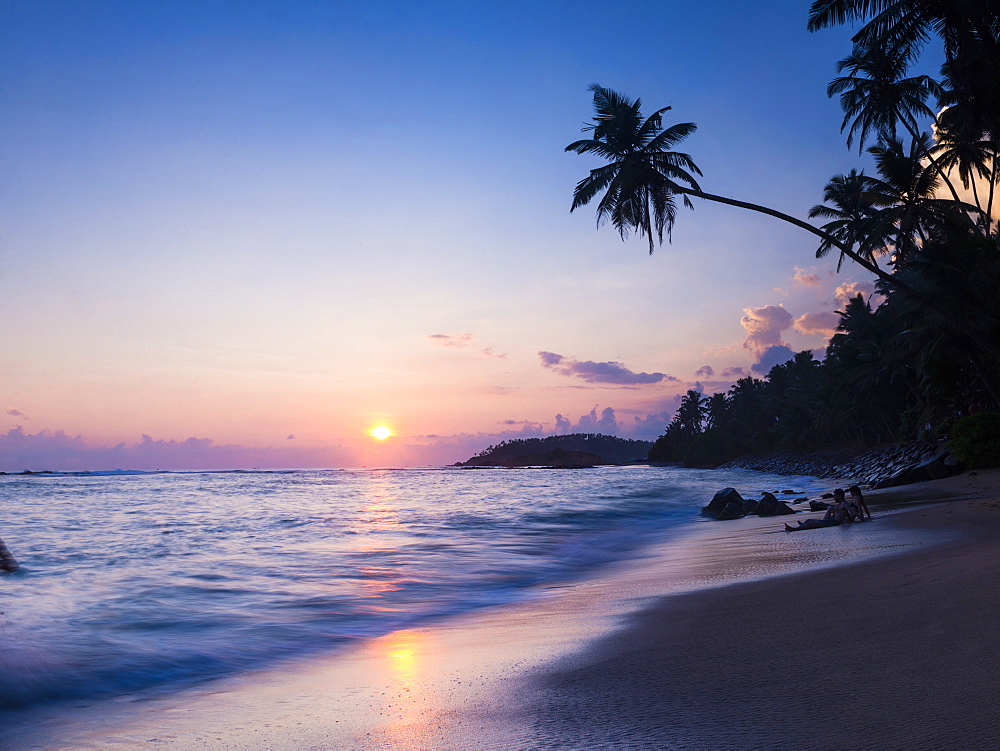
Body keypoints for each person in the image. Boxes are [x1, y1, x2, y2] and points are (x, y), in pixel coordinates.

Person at [784, 489, 854, 531]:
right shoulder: (841, 504)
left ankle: (794, 529)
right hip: (831, 520)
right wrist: (849, 519)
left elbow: (849, 510)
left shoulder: (844, 503)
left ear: (839, 496)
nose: (834, 497)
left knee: (812, 523)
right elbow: (846, 513)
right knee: (808, 520)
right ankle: (802, 525)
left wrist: (860, 518)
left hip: (833, 522)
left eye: (835, 496)